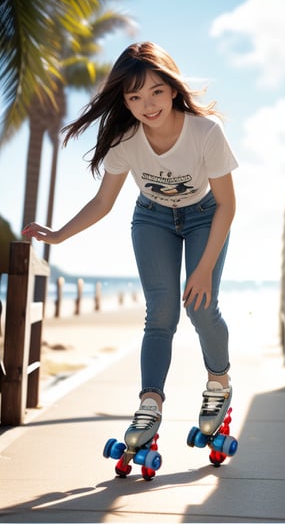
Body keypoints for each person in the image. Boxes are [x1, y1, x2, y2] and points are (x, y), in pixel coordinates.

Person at [23, 41, 238, 449]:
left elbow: (227, 204)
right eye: (134, 96)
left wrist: (205, 267)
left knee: (200, 305)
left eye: (156, 91)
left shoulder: (205, 132)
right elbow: (103, 202)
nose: (147, 104)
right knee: (160, 313)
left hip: (204, 217)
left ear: (173, 88)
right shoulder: (125, 137)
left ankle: (218, 383)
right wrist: (59, 234)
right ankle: (150, 403)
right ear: (124, 100)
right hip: (152, 218)